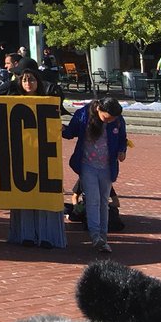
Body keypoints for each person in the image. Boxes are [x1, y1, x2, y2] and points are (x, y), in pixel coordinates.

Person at [6, 64, 66, 249]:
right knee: (24, 194)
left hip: (44, 154)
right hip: (22, 153)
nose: (28, 83)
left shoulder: (48, 100)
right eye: (24, 80)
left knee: (45, 194)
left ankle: (47, 234)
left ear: (38, 81)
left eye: (31, 79)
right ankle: (26, 234)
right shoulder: (12, 101)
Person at [63, 96, 127, 254]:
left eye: (113, 118)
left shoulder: (117, 120)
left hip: (107, 165)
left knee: (104, 200)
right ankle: (95, 235)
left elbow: (122, 138)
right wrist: (60, 128)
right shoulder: (84, 115)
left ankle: (103, 236)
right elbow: (71, 132)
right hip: (87, 164)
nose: (109, 121)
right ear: (99, 109)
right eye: (107, 118)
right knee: (93, 200)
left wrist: (122, 150)